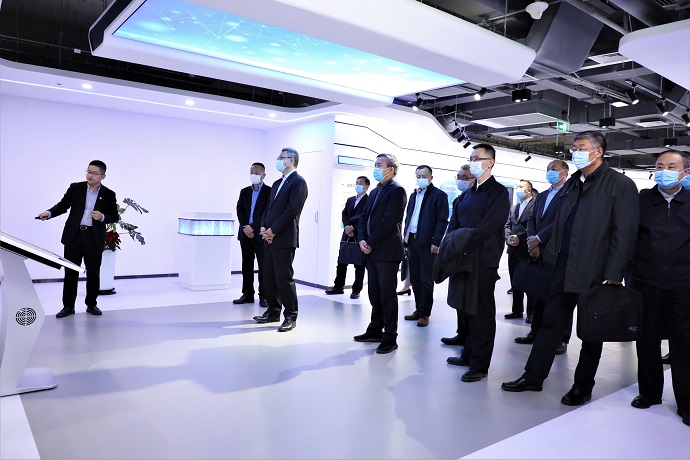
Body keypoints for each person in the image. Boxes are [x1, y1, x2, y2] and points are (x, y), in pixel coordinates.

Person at [501, 131, 639, 406]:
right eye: (574, 147)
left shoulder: (620, 185)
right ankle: (533, 376)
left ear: (598, 152)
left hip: (595, 271)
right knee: (549, 324)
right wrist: (546, 249)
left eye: (581, 147)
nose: (575, 152)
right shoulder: (573, 183)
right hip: (561, 267)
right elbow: (559, 224)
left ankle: (582, 386)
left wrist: (615, 272)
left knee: (591, 333)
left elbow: (625, 233)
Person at [630, 150, 690, 427]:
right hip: (646, 281)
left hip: (683, 283)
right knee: (647, 339)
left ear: (685, 172)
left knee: (684, 343)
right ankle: (649, 393)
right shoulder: (642, 200)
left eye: (672, 166)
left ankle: (686, 401)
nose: (665, 170)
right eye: (660, 166)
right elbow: (628, 236)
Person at [445, 144, 510, 382]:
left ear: (490, 162)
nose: (472, 162)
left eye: (476, 158)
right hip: (462, 258)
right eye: (470, 158)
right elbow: (454, 224)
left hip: (482, 260)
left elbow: (488, 228)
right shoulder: (467, 194)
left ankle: (480, 364)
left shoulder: (498, 193)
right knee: (464, 309)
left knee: (480, 313)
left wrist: (462, 246)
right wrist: (452, 246)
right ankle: (468, 353)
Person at [36, 160, 118, 318]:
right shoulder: (76, 188)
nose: (90, 175)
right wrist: (49, 213)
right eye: (88, 171)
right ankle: (68, 307)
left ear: (103, 176)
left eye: (94, 173)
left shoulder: (109, 194)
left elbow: (114, 216)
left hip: (93, 237)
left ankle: (91, 304)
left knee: (93, 272)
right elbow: (62, 205)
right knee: (70, 272)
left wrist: (102, 217)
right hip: (74, 236)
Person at [515, 160, 572, 355]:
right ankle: (535, 331)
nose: (550, 172)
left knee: (561, 298)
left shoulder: (570, 194)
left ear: (565, 172)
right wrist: (532, 240)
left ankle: (561, 338)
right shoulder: (543, 195)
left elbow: (561, 222)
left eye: (554, 169)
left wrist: (539, 239)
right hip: (537, 250)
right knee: (538, 293)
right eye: (548, 169)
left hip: (558, 251)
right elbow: (532, 219)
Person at [353, 153, 407, 354]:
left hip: (387, 252)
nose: (375, 168)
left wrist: (371, 242)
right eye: (375, 164)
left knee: (387, 295)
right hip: (371, 251)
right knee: (374, 293)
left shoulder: (397, 190)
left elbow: (389, 222)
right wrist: (361, 239)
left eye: (379, 165)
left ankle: (390, 337)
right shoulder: (375, 191)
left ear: (390, 169)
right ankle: (375, 329)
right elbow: (363, 218)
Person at [252, 148, 308, 332]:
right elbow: (267, 208)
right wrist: (263, 227)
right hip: (268, 237)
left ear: (290, 160)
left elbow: (291, 210)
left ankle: (291, 316)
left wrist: (273, 231)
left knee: (283, 278)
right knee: (268, 276)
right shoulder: (277, 183)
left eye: (280, 157)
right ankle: (273, 311)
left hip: (284, 238)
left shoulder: (298, 182)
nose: (277, 160)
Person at [402, 165, 448, 327]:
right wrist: (405, 239)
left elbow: (442, 220)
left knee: (426, 279)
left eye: (423, 176)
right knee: (415, 278)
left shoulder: (439, 196)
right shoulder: (413, 195)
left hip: (428, 243)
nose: (420, 179)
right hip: (412, 241)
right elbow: (409, 217)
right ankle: (418, 309)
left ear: (431, 178)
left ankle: (425, 313)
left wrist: (436, 242)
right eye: (418, 176)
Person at [440, 164, 475, 346]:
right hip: (456, 252)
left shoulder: (478, 199)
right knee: (457, 297)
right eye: (459, 177)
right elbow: (452, 226)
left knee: (468, 300)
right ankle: (461, 333)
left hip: (470, 254)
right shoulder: (459, 200)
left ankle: (469, 338)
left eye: (465, 178)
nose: (461, 181)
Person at [325, 176, 370, 299]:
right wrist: (347, 227)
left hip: (360, 234)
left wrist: (353, 227)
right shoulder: (350, 200)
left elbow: (364, 216)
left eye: (361, 183)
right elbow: (344, 213)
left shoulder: (368, 200)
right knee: (341, 262)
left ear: (366, 187)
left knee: (359, 265)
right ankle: (338, 287)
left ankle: (356, 290)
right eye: (357, 183)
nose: (358, 185)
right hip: (347, 233)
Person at [234, 162, 272, 307]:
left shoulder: (269, 191)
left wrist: (253, 227)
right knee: (246, 265)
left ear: (263, 175)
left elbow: (267, 213)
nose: (253, 175)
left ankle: (264, 296)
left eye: (257, 173)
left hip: (260, 234)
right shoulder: (244, 191)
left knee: (263, 266)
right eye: (252, 172)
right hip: (245, 234)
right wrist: (246, 227)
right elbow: (240, 210)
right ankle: (247, 294)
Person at [504, 179, 536, 321]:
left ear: (529, 190)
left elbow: (534, 226)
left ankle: (531, 313)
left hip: (527, 248)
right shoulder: (514, 207)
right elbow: (507, 225)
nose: (518, 188)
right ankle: (516, 310)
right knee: (514, 280)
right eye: (517, 186)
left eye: (521, 186)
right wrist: (508, 238)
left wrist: (519, 237)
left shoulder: (536, 205)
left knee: (529, 282)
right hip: (513, 249)